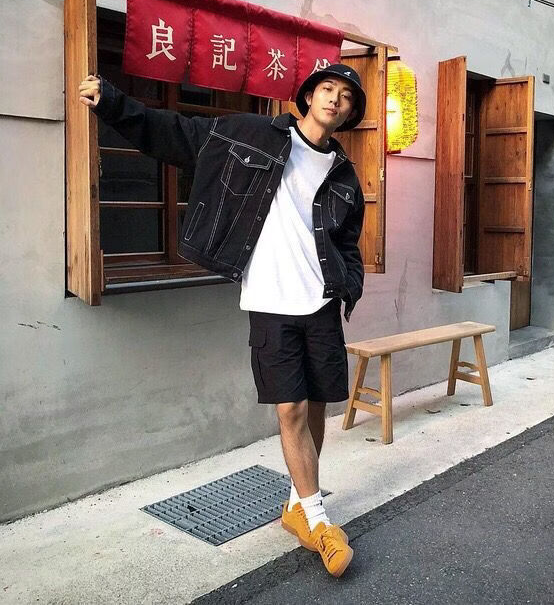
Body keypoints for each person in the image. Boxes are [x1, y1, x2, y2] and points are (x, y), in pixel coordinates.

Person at [79, 62, 366, 577]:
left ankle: (298, 505)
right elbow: (176, 132)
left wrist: (351, 284)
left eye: (345, 96)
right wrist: (114, 103)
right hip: (271, 302)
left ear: (350, 113)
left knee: (317, 405)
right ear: (308, 95)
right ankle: (320, 522)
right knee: (291, 409)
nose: (334, 99)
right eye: (327, 88)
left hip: (321, 303)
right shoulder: (252, 134)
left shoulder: (343, 174)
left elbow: (348, 241)